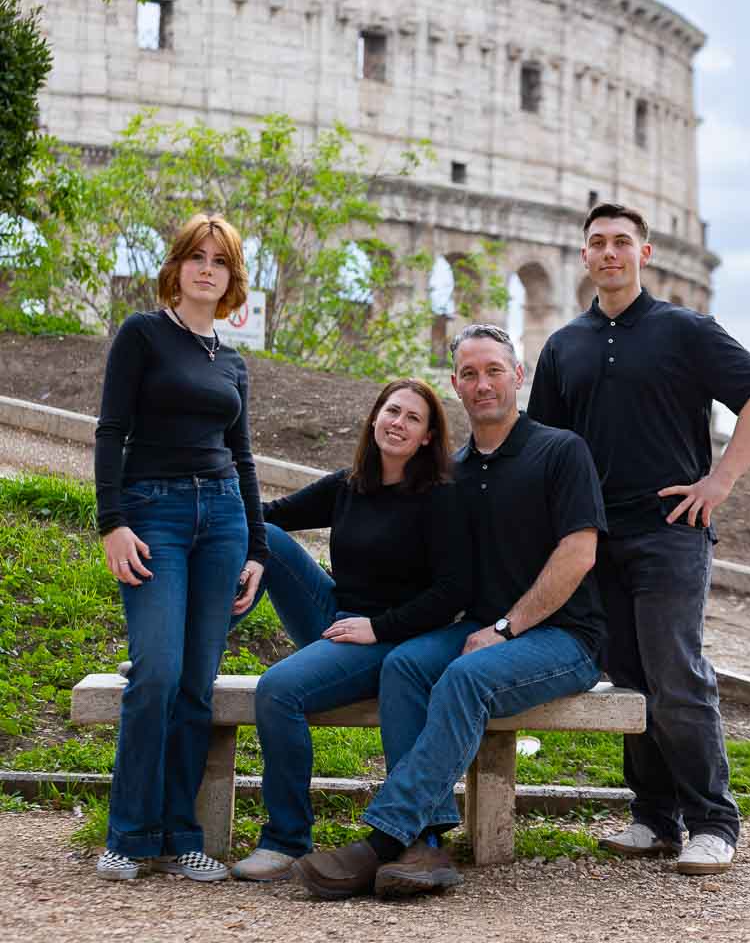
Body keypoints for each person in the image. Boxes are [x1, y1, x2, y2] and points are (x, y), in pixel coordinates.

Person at [291, 324, 608, 900]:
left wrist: (508, 628)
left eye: (493, 370)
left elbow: (579, 553)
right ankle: (428, 845)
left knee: (464, 677)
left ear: (518, 376)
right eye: (469, 373)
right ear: (456, 386)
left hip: (564, 638)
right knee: (406, 667)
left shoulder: (560, 450)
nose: (482, 383)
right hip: (475, 627)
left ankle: (386, 837)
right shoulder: (451, 471)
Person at [527, 202, 750, 876]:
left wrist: (720, 482)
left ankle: (712, 822)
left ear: (645, 254)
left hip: (672, 531)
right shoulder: (564, 346)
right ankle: (653, 819)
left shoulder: (685, 331)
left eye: (621, 242)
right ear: (584, 258)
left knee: (676, 675)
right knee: (632, 678)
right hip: (594, 537)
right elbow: (546, 446)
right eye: (597, 243)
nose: (609, 252)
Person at [230, 378, 472, 883]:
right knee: (262, 538)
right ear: (374, 417)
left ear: (428, 436)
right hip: (339, 620)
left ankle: (285, 839)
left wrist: (377, 628)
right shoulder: (350, 484)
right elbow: (268, 515)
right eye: (392, 411)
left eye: (412, 418)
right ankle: (201, 648)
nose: (398, 423)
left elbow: (454, 592)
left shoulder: (440, 497)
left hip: (393, 639)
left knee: (277, 690)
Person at [94, 213, 268, 882]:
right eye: (197, 256)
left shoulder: (232, 361)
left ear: (231, 277)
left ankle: (180, 832)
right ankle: (129, 835)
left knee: (196, 685)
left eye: (219, 261)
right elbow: (111, 431)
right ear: (176, 267)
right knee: (158, 673)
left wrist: (257, 548)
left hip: (222, 520)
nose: (207, 269)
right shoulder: (142, 334)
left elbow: (244, 458)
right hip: (153, 516)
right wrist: (112, 522)